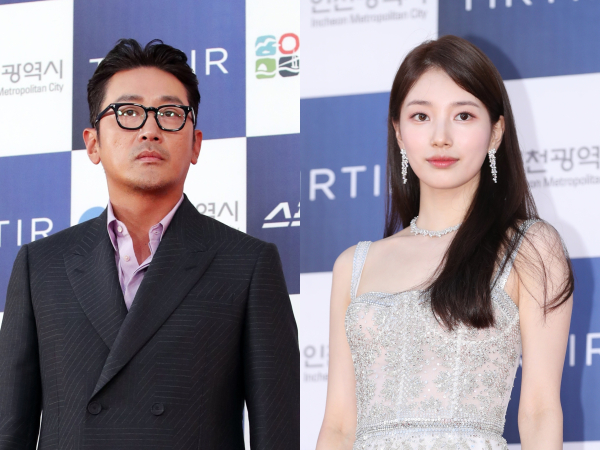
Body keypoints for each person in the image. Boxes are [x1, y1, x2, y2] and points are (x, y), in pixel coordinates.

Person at [0, 39, 299, 450]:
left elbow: (278, 435)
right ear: (92, 143)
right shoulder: (40, 265)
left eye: (170, 113)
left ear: (195, 144)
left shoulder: (247, 264)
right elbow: (9, 430)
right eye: (128, 112)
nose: (149, 129)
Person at [316, 35, 573, 450]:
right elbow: (339, 426)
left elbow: (540, 411)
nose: (440, 137)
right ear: (399, 133)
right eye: (421, 116)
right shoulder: (353, 265)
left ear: (495, 132)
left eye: (463, 116)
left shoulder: (530, 247)